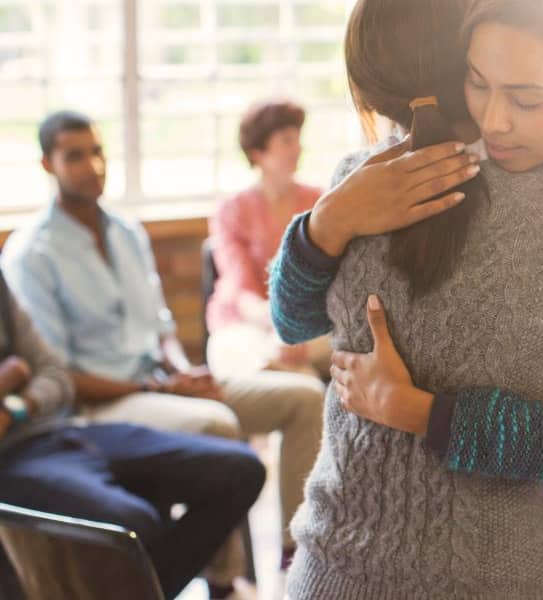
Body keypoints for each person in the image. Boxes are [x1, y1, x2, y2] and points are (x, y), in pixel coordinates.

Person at [271, 0, 543, 596]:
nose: (494, 121)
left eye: (526, 99)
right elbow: (295, 318)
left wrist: (426, 413)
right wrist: (326, 223)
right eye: (477, 83)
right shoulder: (451, 168)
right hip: (496, 523)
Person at [0, 110, 325, 579]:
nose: (92, 166)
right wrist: (160, 389)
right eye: (74, 156)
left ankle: (295, 553)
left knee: (303, 397)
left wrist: (180, 372)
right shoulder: (32, 253)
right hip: (105, 402)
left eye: (97, 152)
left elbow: (162, 325)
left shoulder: (127, 232)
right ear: (47, 165)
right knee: (214, 424)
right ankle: (224, 581)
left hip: (160, 382)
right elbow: (61, 375)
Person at [0, 269, 264, 599]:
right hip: (10, 461)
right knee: (136, 522)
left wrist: (14, 403)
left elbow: (54, 375)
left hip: (64, 430)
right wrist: (14, 372)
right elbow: (27, 369)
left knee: (241, 468)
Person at [206, 99, 328, 379]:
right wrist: (281, 327)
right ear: (257, 152)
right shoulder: (232, 211)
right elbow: (241, 289)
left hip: (307, 324)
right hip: (245, 321)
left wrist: (295, 330)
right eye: (286, 141)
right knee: (278, 365)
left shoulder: (318, 200)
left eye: (298, 139)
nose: (298, 148)